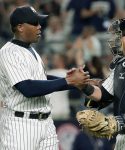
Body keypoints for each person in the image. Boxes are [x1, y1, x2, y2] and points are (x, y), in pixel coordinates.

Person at [0, 5, 89, 150]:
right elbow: (27, 88)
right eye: (35, 23)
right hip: (20, 125)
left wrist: (75, 82)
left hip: (45, 123)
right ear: (20, 27)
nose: (40, 27)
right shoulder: (9, 52)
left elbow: (42, 78)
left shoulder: (30, 49)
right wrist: (67, 81)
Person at [74, 16, 125, 149]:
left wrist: (122, 120)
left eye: (120, 36)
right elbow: (103, 95)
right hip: (123, 137)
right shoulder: (122, 64)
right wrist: (83, 85)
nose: (117, 40)